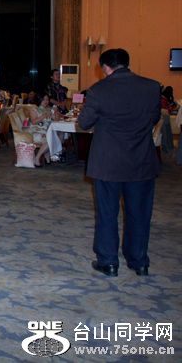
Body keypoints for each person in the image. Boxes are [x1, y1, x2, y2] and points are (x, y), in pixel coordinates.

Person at [78, 48, 160, 277]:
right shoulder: (152, 87)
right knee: (140, 214)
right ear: (127, 63)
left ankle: (109, 262)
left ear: (105, 67)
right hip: (141, 161)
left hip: (108, 163)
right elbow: (154, 118)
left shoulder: (98, 90)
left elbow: (84, 123)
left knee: (107, 213)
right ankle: (139, 261)